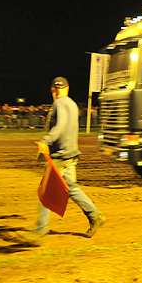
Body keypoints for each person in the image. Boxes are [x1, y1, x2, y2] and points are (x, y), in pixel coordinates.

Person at [20, 77, 105, 241]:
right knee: (71, 188)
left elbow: (60, 127)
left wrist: (45, 140)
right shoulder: (73, 104)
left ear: (54, 90)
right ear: (67, 88)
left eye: (54, 90)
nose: (55, 92)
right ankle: (95, 215)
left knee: (45, 189)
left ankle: (40, 229)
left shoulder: (59, 104)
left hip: (61, 155)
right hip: (71, 153)